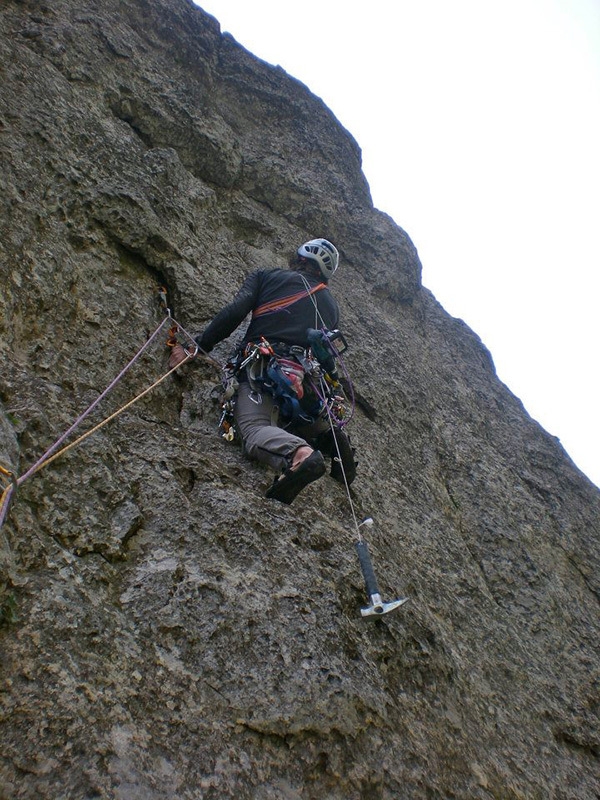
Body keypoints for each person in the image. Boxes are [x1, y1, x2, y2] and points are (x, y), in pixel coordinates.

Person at [183, 238, 351, 504]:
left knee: (254, 429)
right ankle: (324, 433)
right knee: (297, 415)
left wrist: (198, 345)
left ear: (300, 259)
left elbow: (235, 312)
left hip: (265, 371)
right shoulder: (331, 307)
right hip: (308, 387)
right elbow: (327, 354)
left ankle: (301, 455)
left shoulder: (267, 276)